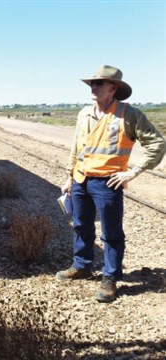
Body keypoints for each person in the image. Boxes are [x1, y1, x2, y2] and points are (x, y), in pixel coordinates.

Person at [56, 64, 166, 303]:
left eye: (98, 83)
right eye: (91, 83)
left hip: (108, 183)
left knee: (111, 234)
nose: (93, 87)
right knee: (81, 225)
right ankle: (82, 266)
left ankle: (110, 278)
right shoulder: (84, 113)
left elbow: (157, 143)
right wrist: (69, 177)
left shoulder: (129, 114)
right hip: (81, 180)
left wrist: (133, 172)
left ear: (113, 88)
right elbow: (76, 147)